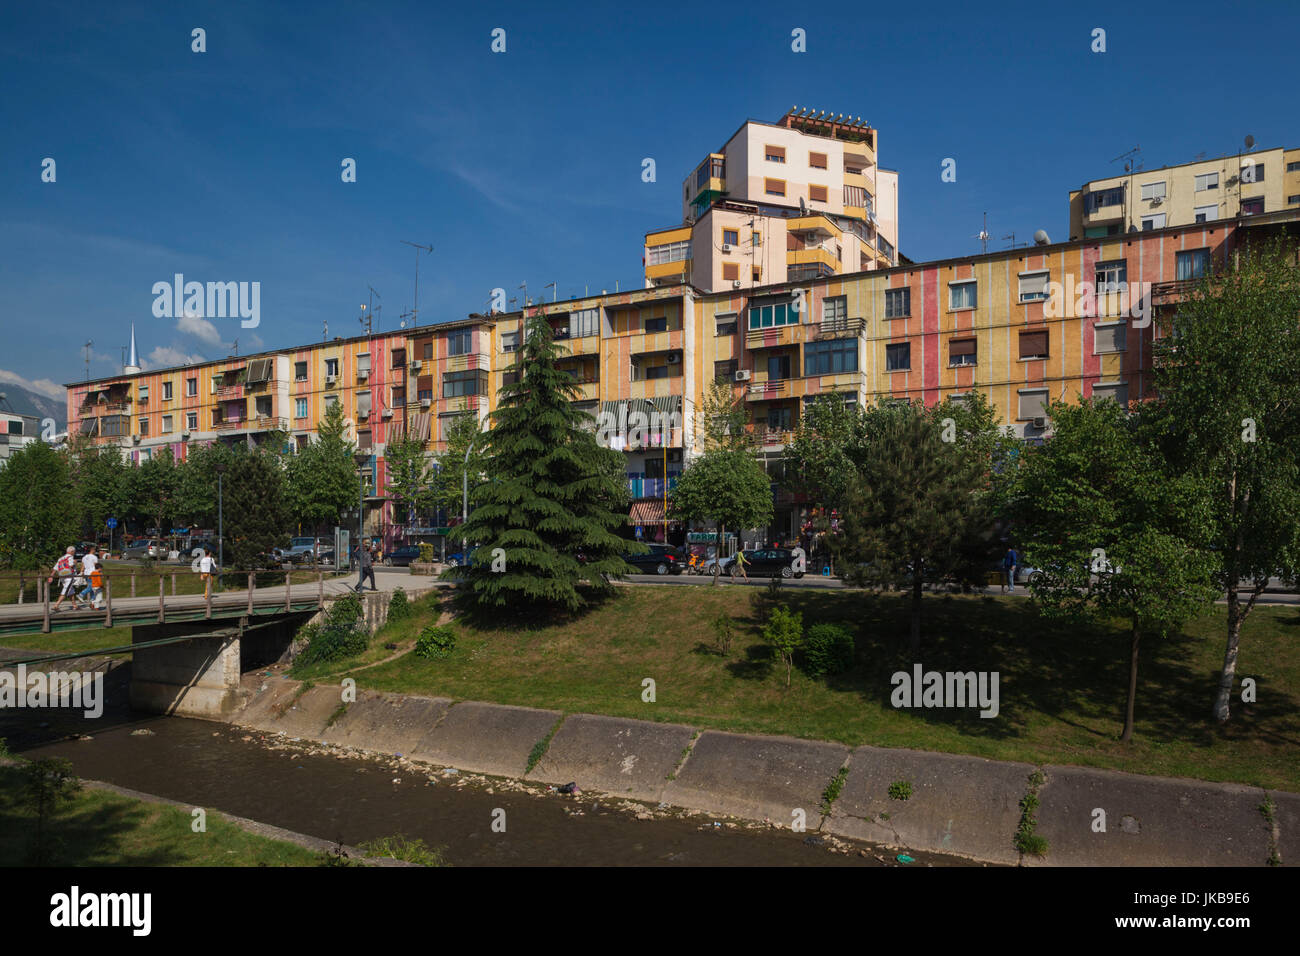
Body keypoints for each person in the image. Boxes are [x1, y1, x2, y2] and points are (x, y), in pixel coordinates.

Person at [50, 546, 78, 612]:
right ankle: (56, 605)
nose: (74, 553)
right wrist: (75, 562)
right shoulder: (70, 557)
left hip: (62, 576)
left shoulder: (61, 558)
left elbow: (55, 568)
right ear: (72, 551)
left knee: (70, 591)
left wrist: (51, 576)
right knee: (65, 591)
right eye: (74, 552)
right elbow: (71, 565)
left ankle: (75, 606)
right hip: (69, 577)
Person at [78, 545, 103, 609]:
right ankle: (81, 594)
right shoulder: (94, 557)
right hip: (93, 574)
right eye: (94, 550)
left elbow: (83, 566)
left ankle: (92, 603)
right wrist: (100, 573)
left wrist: (81, 572)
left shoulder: (84, 557)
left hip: (86, 573)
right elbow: (96, 566)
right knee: (92, 587)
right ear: (92, 550)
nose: (95, 551)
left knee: (92, 589)